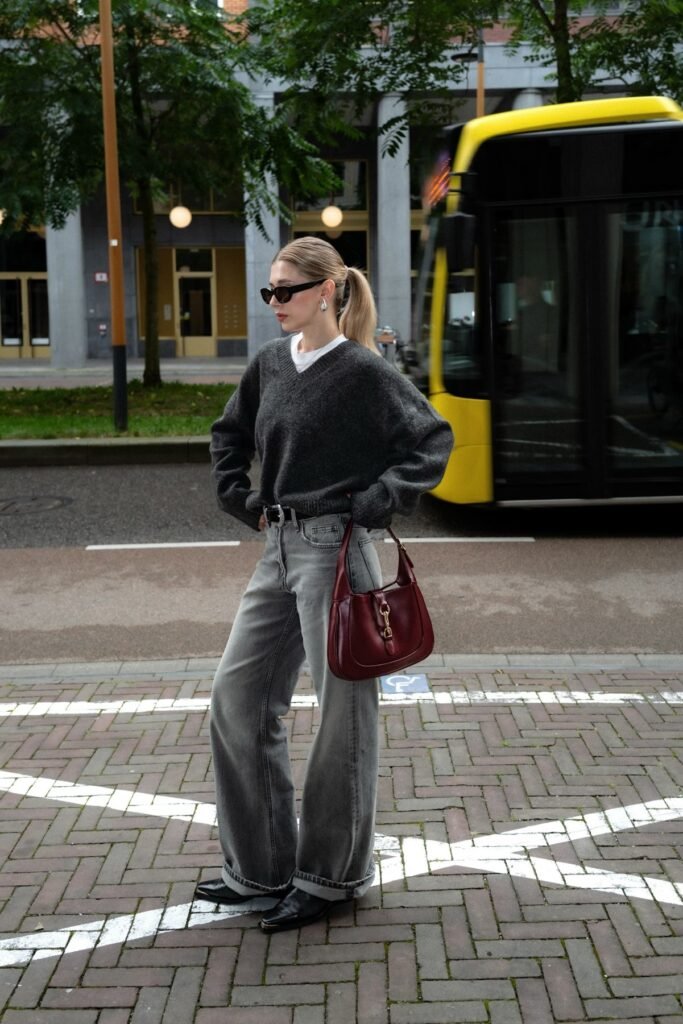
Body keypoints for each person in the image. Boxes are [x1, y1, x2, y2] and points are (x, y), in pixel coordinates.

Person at [194, 236, 453, 933]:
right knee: (237, 698)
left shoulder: (362, 372)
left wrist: (372, 504)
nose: (273, 303)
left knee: (343, 717)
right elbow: (229, 434)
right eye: (268, 291)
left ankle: (329, 878)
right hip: (276, 548)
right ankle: (259, 869)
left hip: (335, 550)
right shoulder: (271, 364)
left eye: (285, 290)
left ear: (328, 290)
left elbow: (430, 440)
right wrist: (237, 497)